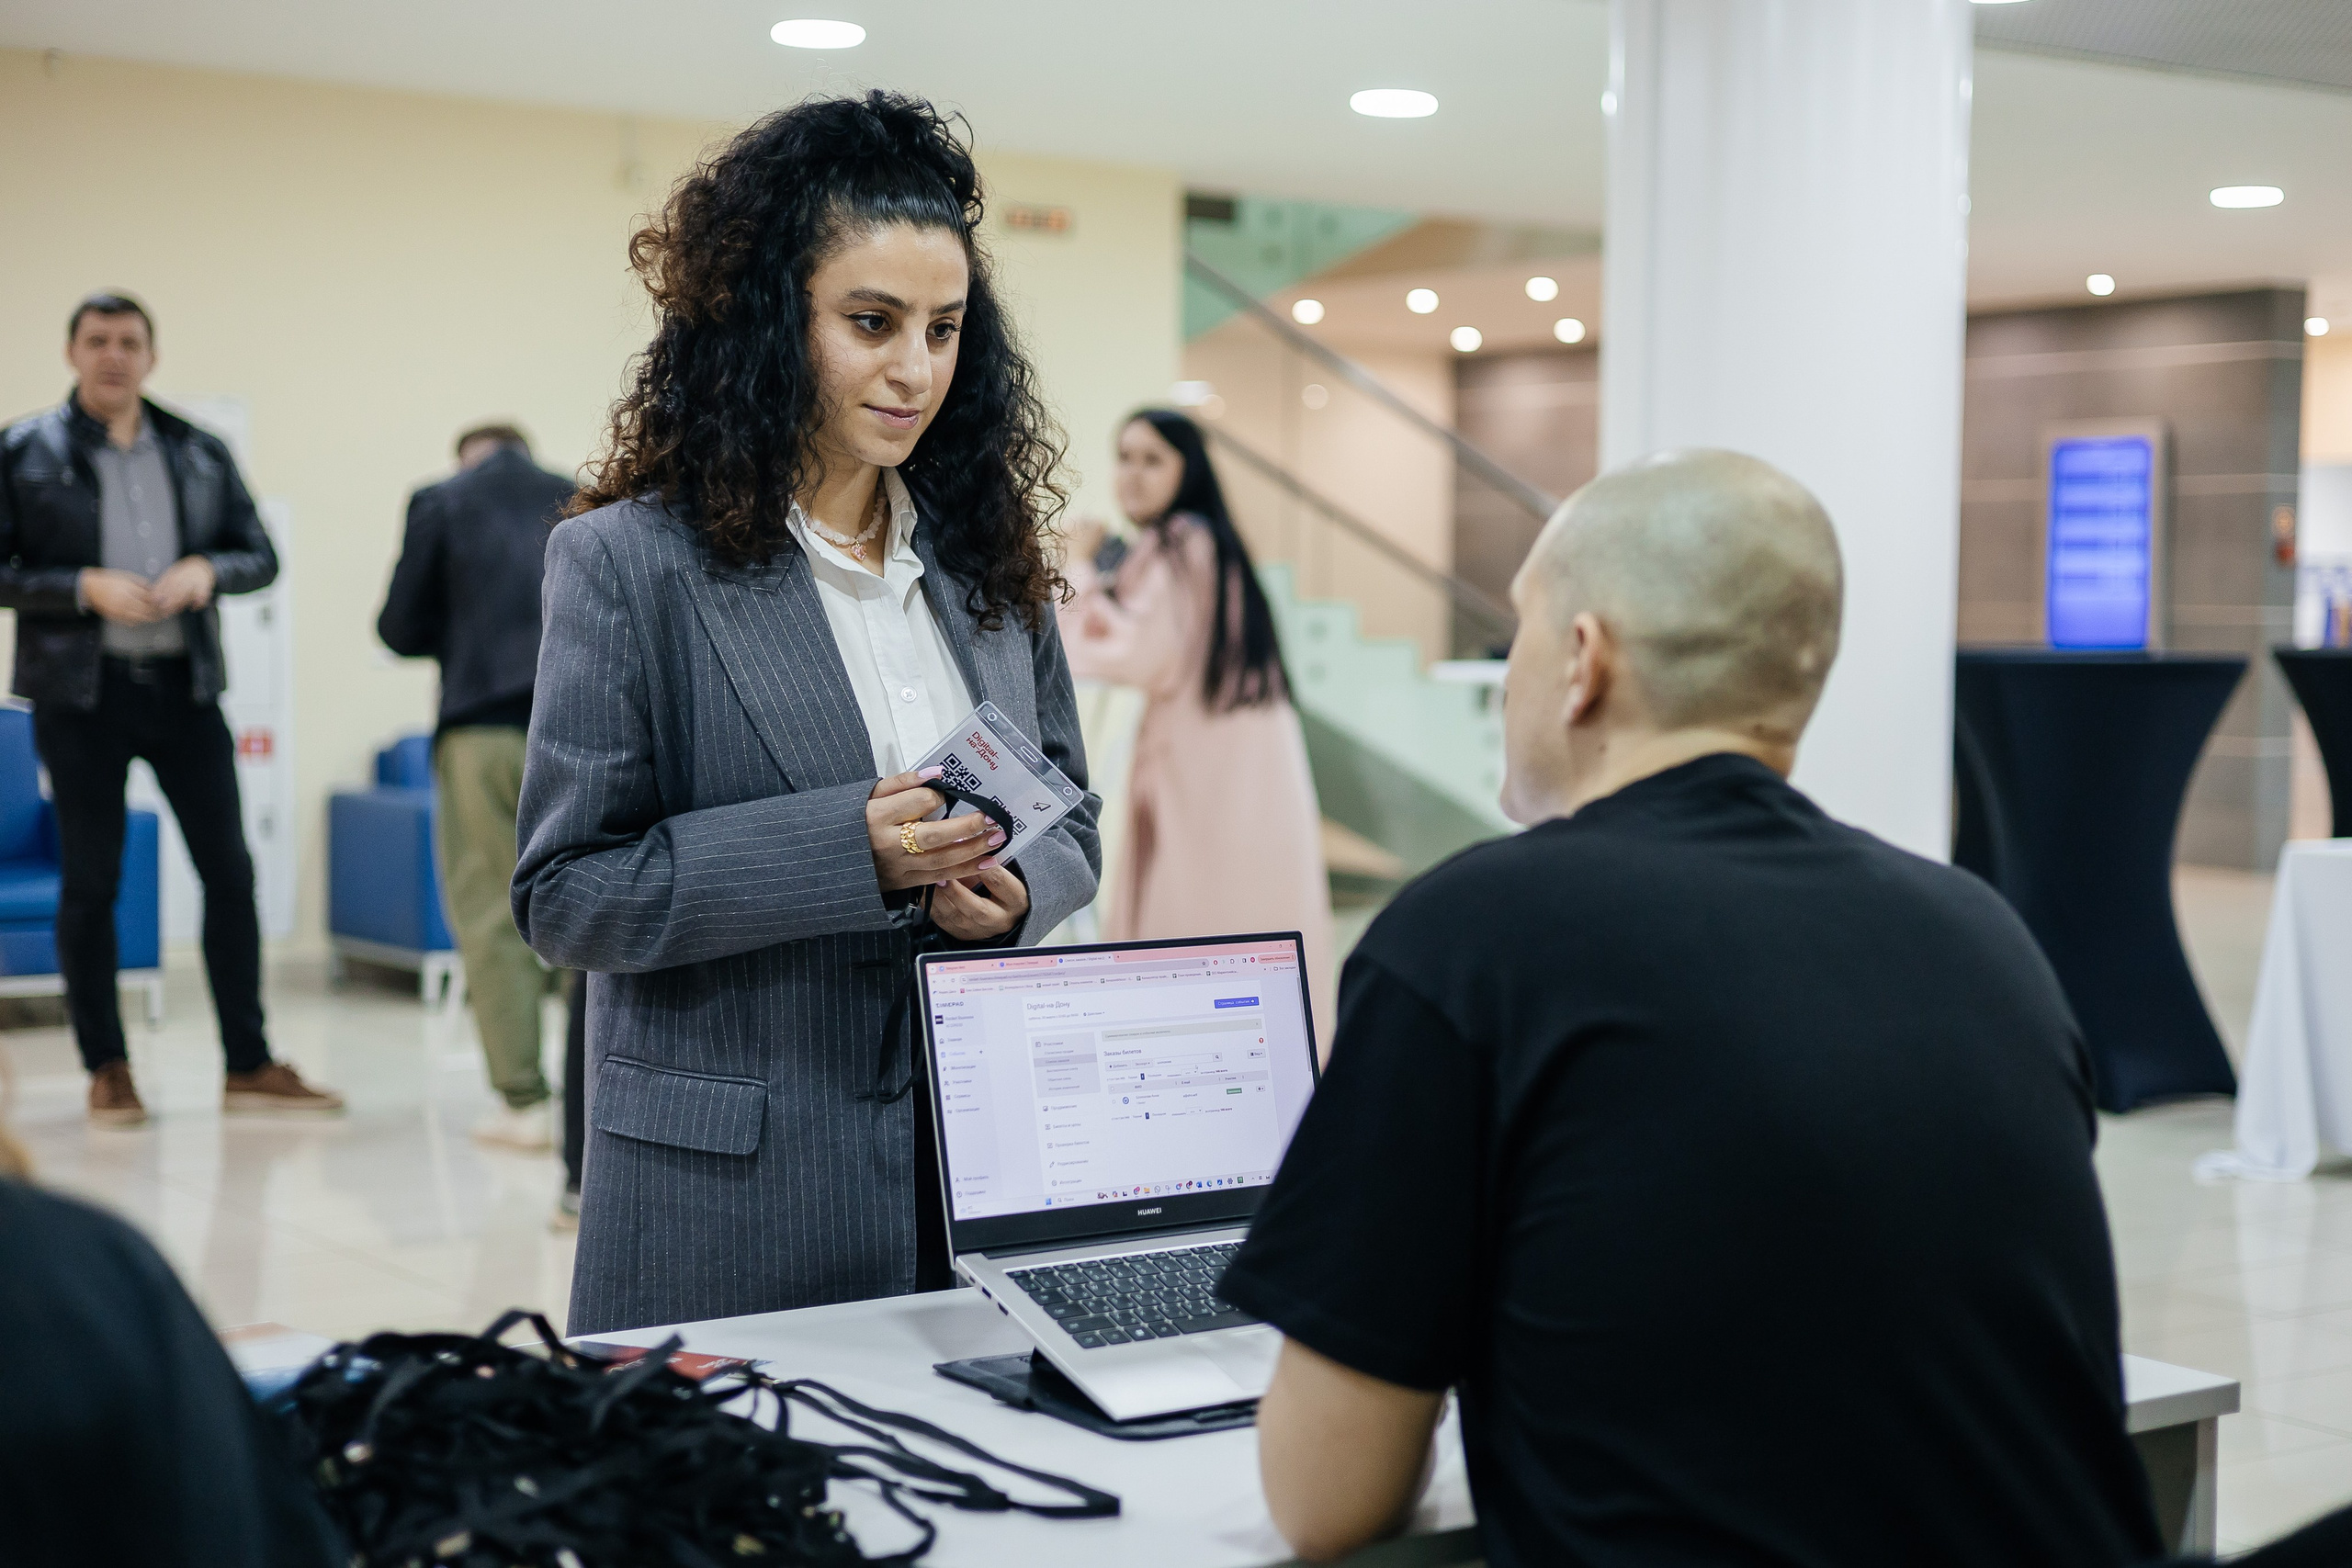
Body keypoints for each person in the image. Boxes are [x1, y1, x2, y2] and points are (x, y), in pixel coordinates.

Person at [1220, 450, 2165, 1567]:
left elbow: (1325, 1501)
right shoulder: (1985, 937)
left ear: (1582, 660)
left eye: (1517, 627)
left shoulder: (1473, 937)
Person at [514, 92, 1100, 1335]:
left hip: (971, 1170)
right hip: (730, 1195)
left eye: (944, 330)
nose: (915, 371)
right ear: (768, 320)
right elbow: (566, 892)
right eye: (871, 323)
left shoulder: (991, 562)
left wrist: (1014, 895)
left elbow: (1070, 821)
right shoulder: (630, 564)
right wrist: (856, 851)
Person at [0, 292, 341, 1125]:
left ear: (151, 355)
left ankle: (249, 1064)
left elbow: (259, 554)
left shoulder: (198, 449)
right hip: (81, 697)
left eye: (129, 341)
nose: (113, 354)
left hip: (186, 691)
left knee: (230, 872)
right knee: (92, 881)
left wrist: (208, 573)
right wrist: (80, 588)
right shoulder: (23, 449)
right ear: (72, 352)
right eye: (97, 340)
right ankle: (107, 1068)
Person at [1059, 411, 1333, 1046]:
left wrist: (1074, 567)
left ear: (1188, 469)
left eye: (1152, 459)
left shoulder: (1185, 543)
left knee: (1203, 913)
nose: (1131, 474)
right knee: (1230, 910)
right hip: (1232, 757)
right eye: (1124, 456)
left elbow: (1132, 655)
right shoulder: (1192, 544)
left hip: (1215, 770)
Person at [378, 423, 577, 1168]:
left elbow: (398, 625)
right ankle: (590, 1094)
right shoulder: (578, 492)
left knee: (493, 910)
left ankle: (524, 1102)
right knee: (585, 901)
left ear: (470, 455)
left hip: (481, 731)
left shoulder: (442, 499)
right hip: (579, 728)